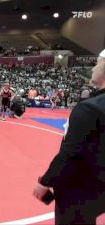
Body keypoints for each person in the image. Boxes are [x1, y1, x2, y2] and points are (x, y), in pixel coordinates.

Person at [33, 50, 105, 225]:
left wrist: (45, 182)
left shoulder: (90, 108)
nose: (93, 68)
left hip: (81, 190)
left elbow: (71, 152)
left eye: (97, 63)